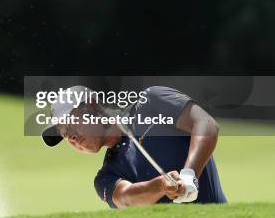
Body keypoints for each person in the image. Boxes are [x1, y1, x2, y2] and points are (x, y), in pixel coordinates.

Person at [41, 85, 227, 208]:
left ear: (92, 106)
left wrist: (189, 175)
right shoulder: (106, 177)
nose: (71, 137)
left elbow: (205, 123)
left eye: (71, 124)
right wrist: (160, 186)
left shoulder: (151, 103)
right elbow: (127, 198)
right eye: (64, 134)